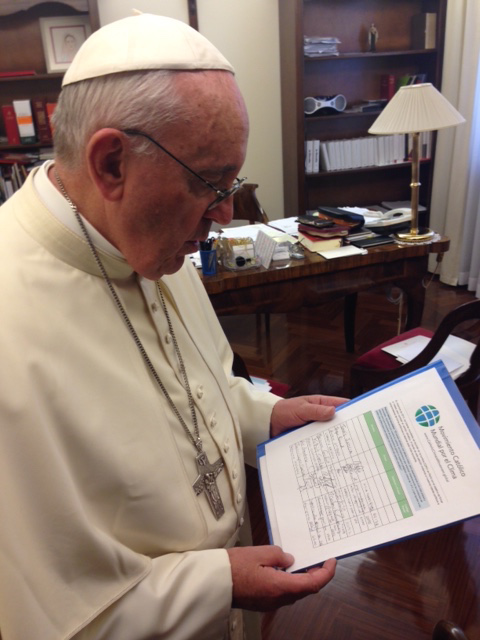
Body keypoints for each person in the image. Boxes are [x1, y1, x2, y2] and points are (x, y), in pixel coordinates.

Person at [0, 14, 347, 640]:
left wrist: (261, 415)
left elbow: (194, 386)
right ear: (111, 164)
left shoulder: (148, 236)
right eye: (209, 184)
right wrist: (219, 583)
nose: (221, 215)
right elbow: (45, 612)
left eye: (231, 183)